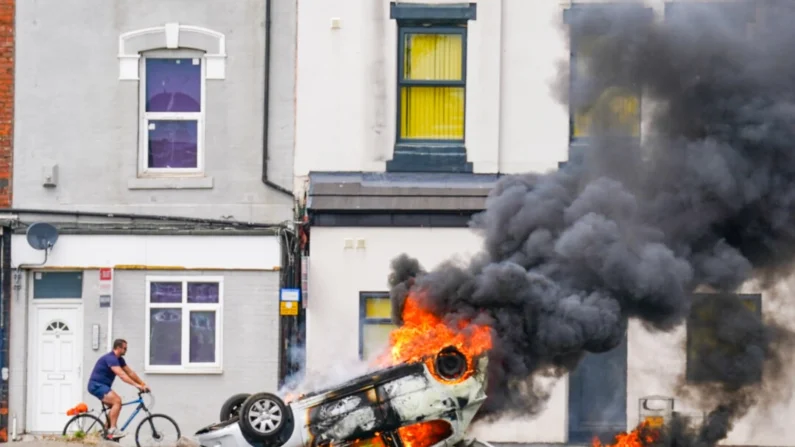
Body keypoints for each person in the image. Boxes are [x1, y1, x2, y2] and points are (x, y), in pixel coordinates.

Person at [87, 338, 150, 438]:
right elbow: (122, 375)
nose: (126, 350)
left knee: (115, 406)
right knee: (117, 401)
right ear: (118, 348)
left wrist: (142, 384)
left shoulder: (119, 360)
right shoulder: (111, 358)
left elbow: (130, 373)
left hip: (102, 386)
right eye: (125, 348)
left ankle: (105, 431)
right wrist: (137, 385)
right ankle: (113, 429)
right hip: (96, 385)